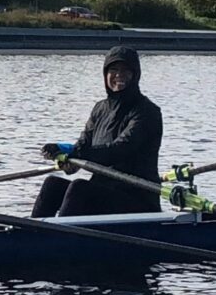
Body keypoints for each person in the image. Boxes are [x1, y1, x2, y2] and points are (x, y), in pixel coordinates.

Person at [32, 46, 163, 217]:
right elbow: (82, 148)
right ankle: (29, 235)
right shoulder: (100, 109)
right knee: (52, 185)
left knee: (79, 188)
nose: (119, 75)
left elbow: (120, 150)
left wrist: (76, 152)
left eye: (125, 70)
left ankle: (56, 239)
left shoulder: (147, 112)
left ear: (135, 74)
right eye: (114, 70)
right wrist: (65, 158)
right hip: (105, 192)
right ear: (105, 75)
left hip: (138, 198)